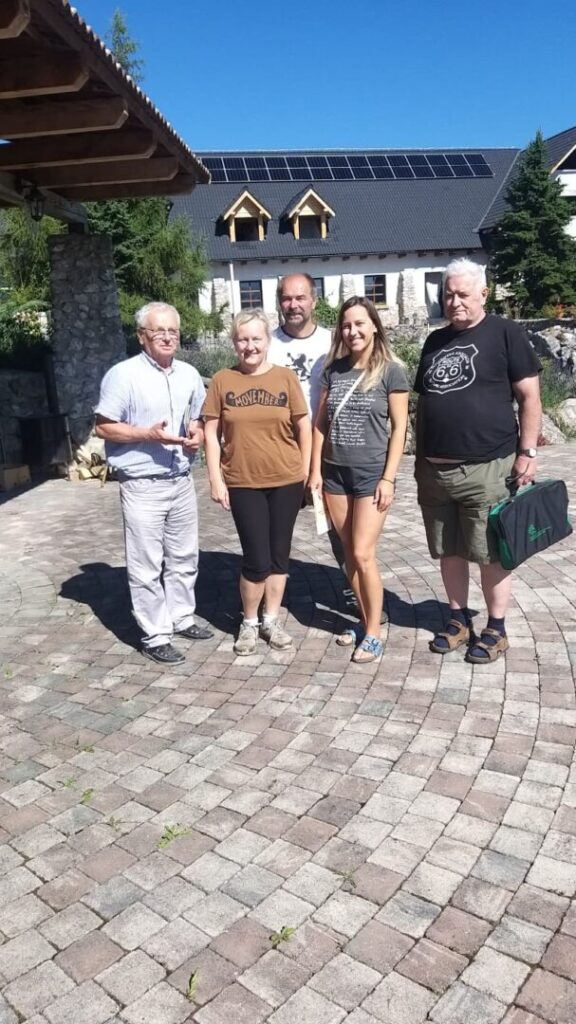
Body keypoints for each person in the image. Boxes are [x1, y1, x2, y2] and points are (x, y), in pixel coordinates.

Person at [413, 257, 542, 663]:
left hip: (487, 467)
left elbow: (530, 397)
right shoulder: (434, 341)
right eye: (448, 294)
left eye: (463, 294)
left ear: (484, 293)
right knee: (447, 549)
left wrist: (527, 452)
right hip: (434, 471)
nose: (454, 302)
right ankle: (457, 619)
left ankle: (496, 628)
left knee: (490, 552)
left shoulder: (506, 333)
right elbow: (425, 400)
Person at [95, 301, 213, 666]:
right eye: (158, 330)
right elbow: (104, 426)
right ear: (141, 336)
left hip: (180, 480)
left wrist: (196, 433)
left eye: (172, 330)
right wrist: (147, 434)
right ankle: (155, 635)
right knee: (146, 564)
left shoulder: (189, 374)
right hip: (142, 484)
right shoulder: (123, 375)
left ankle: (181, 617)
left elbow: (199, 417)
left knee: (184, 556)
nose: (167, 336)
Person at [203, 309, 311, 656]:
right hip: (243, 481)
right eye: (242, 339)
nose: (250, 346)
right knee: (256, 558)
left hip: (286, 479)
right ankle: (249, 623)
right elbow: (210, 432)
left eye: (256, 339)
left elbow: (303, 425)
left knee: (279, 556)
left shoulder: (285, 378)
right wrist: (215, 478)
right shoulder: (222, 380)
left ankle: (271, 620)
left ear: (267, 341)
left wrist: (305, 471)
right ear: (234, 342)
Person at [309, 296, 409, 663]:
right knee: (349, 554)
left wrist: (389, 478)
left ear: (374, 327)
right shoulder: (333, 371)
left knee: (364, 553)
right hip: (335, 474)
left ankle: (374, 633)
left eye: (360, 324)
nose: (353, 331)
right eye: (347, 325)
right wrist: (315, 471)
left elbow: (399, 428)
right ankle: (366, 621)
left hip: (371, 476)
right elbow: (321, 424)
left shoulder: (391, 372)